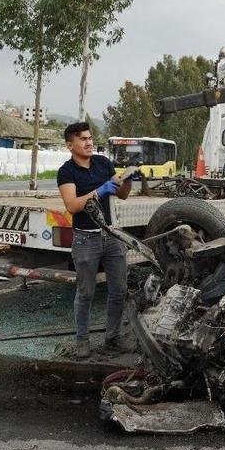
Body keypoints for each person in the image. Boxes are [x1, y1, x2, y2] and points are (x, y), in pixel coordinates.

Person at [57, 122, 134, 358]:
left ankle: (113, 337)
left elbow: (122, 193)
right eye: (82, 139)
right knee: (86, 292)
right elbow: (72, 206)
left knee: (119, 290)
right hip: (85, 240)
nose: (89, 142)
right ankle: (82, 340)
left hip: (111, 236)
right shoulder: (66, 172)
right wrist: (99, 191)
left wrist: (129, 179)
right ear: (70, 145)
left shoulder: (103, 163)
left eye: (90, 138)